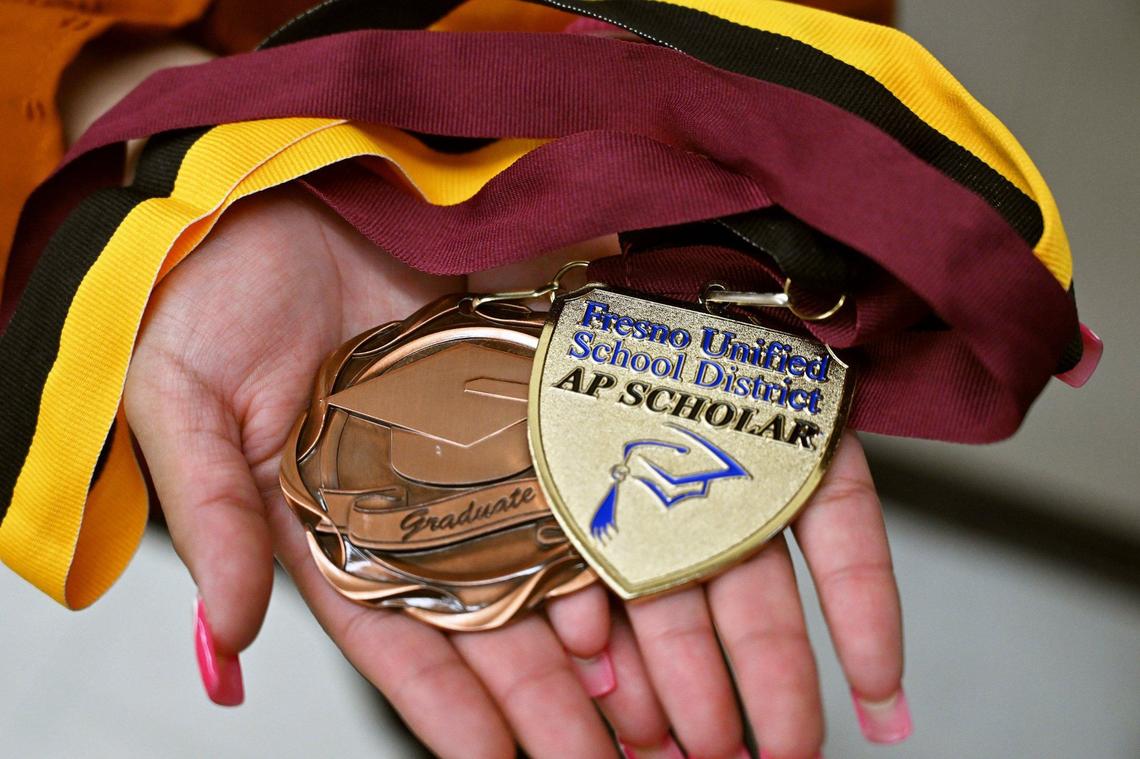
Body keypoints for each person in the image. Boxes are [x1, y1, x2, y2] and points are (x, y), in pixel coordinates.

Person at [3, 2, 911, 757]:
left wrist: (712, 136)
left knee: (675, 664)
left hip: (676, 214)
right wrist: (136, 91)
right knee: (470, 671)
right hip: (242, 187)